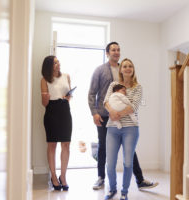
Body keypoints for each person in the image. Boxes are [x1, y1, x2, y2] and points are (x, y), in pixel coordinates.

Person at [88, 42, 158, 192]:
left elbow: (134, 101)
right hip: (105, 116)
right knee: (103, 147)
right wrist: (94, 112)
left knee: (130, 151)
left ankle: (139, 180)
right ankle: (101, 178)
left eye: (118, 50)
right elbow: (92, 93)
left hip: (126, 119)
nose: (116, 52)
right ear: (107, 53)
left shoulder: (124, 69)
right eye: (113, 50)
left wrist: (123, 112)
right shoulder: (100, 70)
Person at [103, 58, 143, 200]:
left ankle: (124, 191)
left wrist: (117, 114)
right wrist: (111, 112)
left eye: (130, 66)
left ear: (133, 70)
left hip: (130, 129)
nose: (127, 68)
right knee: (110, 163)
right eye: (125, 66)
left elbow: (133, 106)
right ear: (121, 69)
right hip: (112, 129)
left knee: (127, 162)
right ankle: (112, 189)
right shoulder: (114, 84)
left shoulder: (137, 87)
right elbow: (106, 101)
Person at [41, 55, 72, 191]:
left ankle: (63, 176)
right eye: (55, 63)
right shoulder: (44, 80)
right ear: (49, 66)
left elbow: (69, 95)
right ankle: (53, 176)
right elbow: (44, 104)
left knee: (66, 144)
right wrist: (46, 98)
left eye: (58, 62)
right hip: (51, 111)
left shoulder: (66, 76)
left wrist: (67, 97)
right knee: (52, 145)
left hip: (65, 110)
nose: (58, 64)